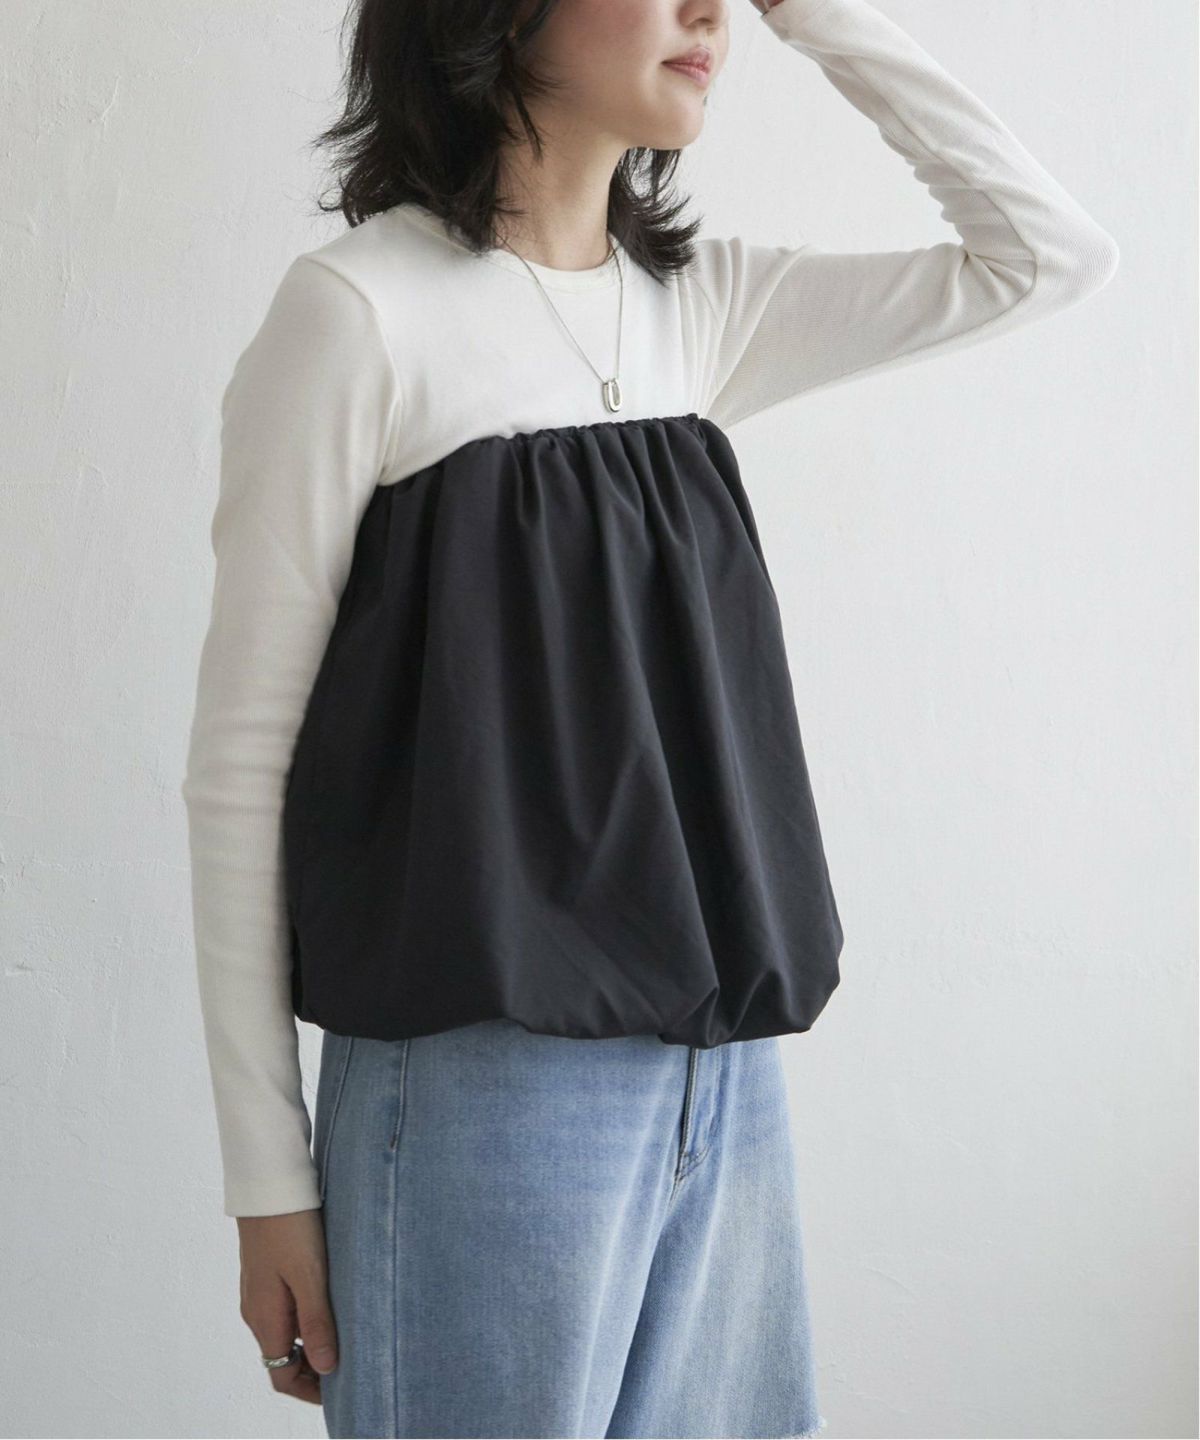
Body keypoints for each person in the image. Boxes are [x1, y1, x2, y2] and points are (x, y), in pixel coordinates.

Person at [179, 0, 1119, 1434]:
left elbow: (1046, 256)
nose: (707, 11)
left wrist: (813, 13)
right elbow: (243, 767)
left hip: (721, 1085)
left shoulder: (695, 307)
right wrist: (268, 1181)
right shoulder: (361, 313)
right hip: (480, 1086)